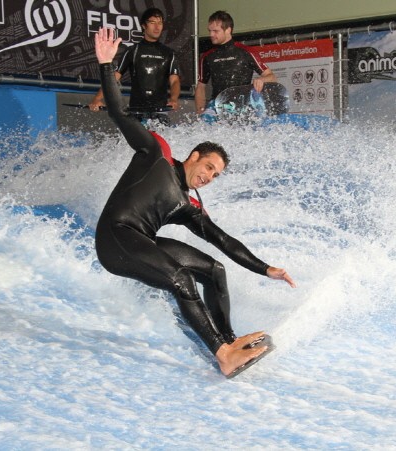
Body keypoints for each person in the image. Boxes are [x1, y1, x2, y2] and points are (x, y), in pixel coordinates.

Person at [93, 28, 296, 377]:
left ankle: (228, 343)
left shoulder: (186, 206)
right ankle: (223, 353)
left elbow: (223, 240)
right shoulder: (155, 153)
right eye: (208, 167)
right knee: (181, 280)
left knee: (214, 271)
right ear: (194, 155)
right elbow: (119, 114)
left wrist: (266, 268)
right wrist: (105, 64)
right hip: (114, 239)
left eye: (215, 176)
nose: (208, 177)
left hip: (141, 240)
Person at [88, 8, 180, 124]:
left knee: (161, 141)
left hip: (160, 112)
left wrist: (173, 99)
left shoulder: (169, 53)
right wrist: (97, 99)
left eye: (160, 23)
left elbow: (174, 81)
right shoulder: (132, 51)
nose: (157, 27)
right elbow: (114, 78)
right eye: (152, 23)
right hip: (136, 112)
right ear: (143, 26)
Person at [195, 10, 277, 116]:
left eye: (215, 31)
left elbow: (272, 77)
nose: (211, 34)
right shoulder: (207, 56)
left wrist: (262, 80)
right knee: (206, 119)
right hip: (217, 105)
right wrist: (200, 111)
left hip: (241, 105)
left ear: (228, 30)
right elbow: (201, 86)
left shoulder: (246, 52)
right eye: (209, 31)